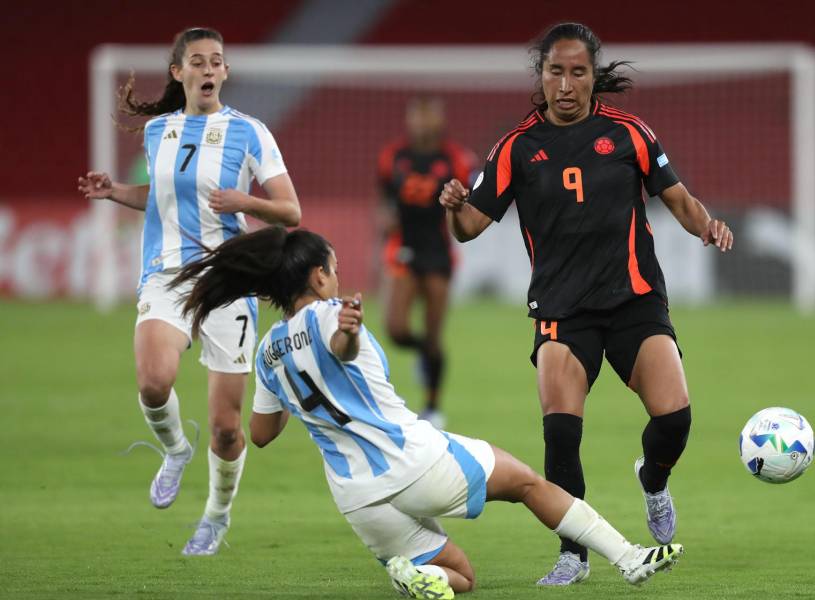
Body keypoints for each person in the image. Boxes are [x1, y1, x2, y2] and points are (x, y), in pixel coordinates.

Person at [173, 225, 683, 598]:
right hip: (416, 462)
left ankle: (417, 576)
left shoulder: (268, 352)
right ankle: (628, 558)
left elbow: (261, 433)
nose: (337, 276)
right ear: (318, 275)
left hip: (358, 499)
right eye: (333, 267)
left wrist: (297, 391)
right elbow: (340, 346)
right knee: (528, 484)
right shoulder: (333, 316)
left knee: (461, 576)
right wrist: (348, 333)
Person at [439, 22, 732, 586]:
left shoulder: (629, 133)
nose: (566, 84)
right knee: (561, 433)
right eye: (556, 71)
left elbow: (678, 198)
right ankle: (573, 554)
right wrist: (454, 207)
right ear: (541, 75)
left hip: (634, 300)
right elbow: (469, 227)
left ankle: (653, 478)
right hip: (562, 310)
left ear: (594, 76)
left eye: (578, 72)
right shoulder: (517, 147)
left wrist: (706, 226)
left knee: (674, 418)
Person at [76, 27, 301, 555]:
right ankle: (175, 450)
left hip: (229, 281)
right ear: (178, 73)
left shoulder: (250, 132)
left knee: (225, 429)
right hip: (167, 274)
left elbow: (290, 211)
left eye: (216, 61)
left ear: (225, 72)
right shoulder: (159, 130)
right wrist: (115, 192)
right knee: (154, 382)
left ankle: (216, 518)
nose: (208, 69)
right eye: (197, 61)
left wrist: (246, 203)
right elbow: (162, 197)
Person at [377, 96, 475, 428]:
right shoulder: (393, 156)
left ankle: (432, 407)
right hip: (403, 248)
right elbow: (385, 199)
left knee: (434, 333)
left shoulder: (455, 158)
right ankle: (419, 351)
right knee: (396, 329)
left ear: (439, 120)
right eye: (416, 117)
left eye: (427, 116)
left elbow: (468, 200)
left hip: (438, 251)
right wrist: (385, 218)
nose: (421, 123)